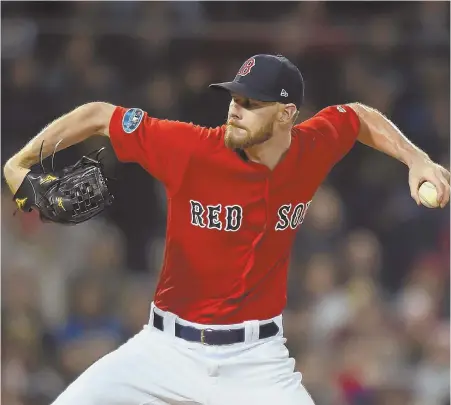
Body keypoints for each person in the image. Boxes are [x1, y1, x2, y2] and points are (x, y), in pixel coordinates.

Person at [3, 54, 450, 405]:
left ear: (285, 115)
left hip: (256, 361)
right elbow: (99, 114)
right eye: (235, 97)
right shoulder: (192, 148)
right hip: (164, 349)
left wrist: (418, 160)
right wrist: (19, 163)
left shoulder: (312, 146)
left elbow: (359, 117)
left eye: (252, 103)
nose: (236, 109)